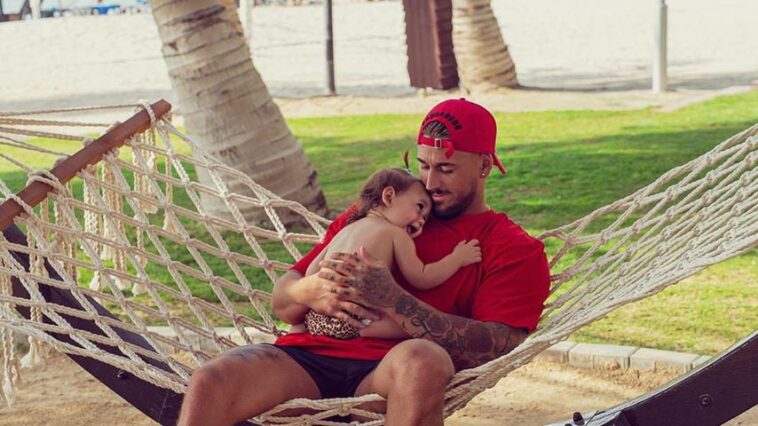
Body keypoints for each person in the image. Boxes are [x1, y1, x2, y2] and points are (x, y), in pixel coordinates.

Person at [177, 98, 551, 426]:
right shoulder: (384, 212)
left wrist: (394, 299)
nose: (430, 181)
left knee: (423, 361)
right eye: (423, 165)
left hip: (385, 377)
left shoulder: (512, 248)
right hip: (305, 361)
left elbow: (497, 346)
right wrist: (313, 291)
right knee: (211, 381)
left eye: (446, 169)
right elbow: (284, 303)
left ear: (484, 167)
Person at [293, 167, 482, 340]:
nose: (421, 221)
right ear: (389, 197)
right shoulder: (396, 233)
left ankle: (300, 331)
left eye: (425, 219)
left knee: (298, 328)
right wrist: (457, 259)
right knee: (414, 325)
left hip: (318, 315)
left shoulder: (347, 228)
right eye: (420, 207)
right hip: (354, 319)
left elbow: (311, 271)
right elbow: (421, 277)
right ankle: (365, 331)